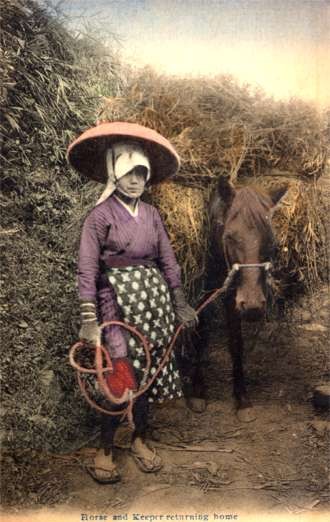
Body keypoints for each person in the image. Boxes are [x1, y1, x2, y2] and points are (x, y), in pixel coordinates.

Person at [67, 122, 198, 484]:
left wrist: (180, 301)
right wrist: (89, 318)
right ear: (114, 174)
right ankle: (106, 448)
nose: (135, 181)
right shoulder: (100, 217)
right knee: (121, 372)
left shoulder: (153, 216)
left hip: (152, 303)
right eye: (127, 174)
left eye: (141, 173)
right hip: (116, 304)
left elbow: (168, 260)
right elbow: (87, 269)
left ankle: (139, 439)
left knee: (149, 371)